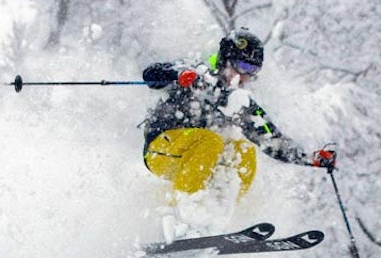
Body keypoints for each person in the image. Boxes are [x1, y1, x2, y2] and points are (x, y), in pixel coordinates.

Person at [140, 28, 336, 204]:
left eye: (252, 71)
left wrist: (310, 158)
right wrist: (178, 75)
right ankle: (186, 211)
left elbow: (271, 140)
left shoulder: (239, 102)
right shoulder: (197, 72)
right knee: (211, 141)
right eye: (242, 67)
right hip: (161, 149)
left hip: (198, 160)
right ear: (226, 59)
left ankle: (219, 212)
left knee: (244, 149)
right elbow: (151, 75)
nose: (244, 76)